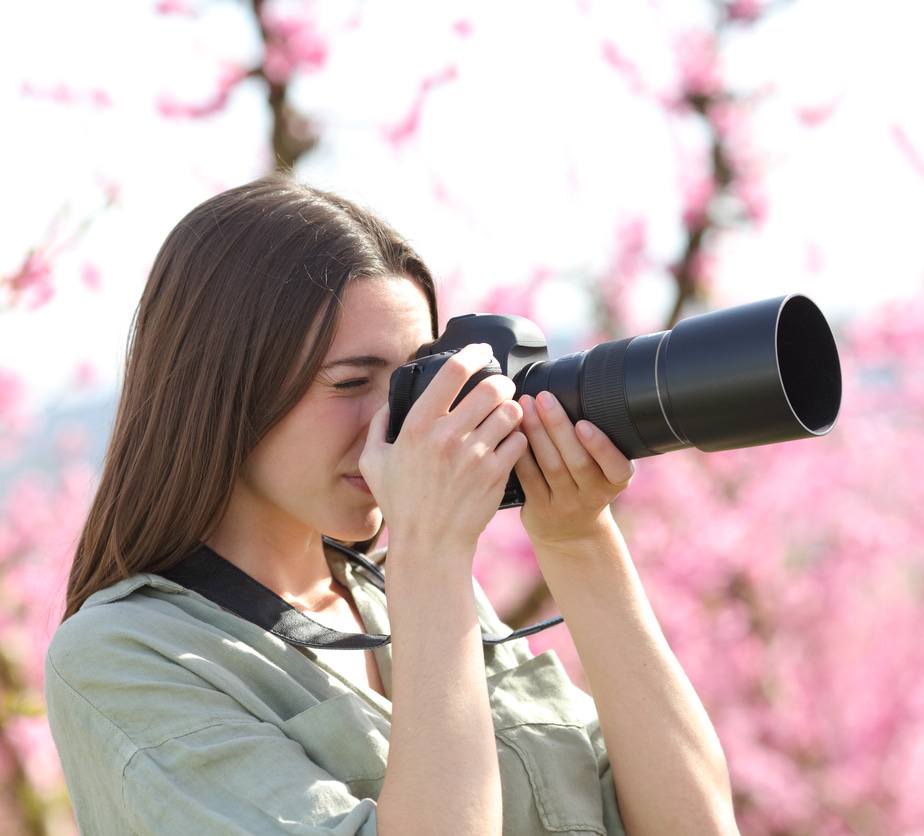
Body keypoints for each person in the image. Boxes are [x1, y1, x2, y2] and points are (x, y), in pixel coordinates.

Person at [45, 174, 739, 835]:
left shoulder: (408, 602)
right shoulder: (127, 657)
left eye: (413, 379)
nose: (399, 425)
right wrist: (429, 553)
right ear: (223, 390)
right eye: (351, 383)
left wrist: (578, 540)